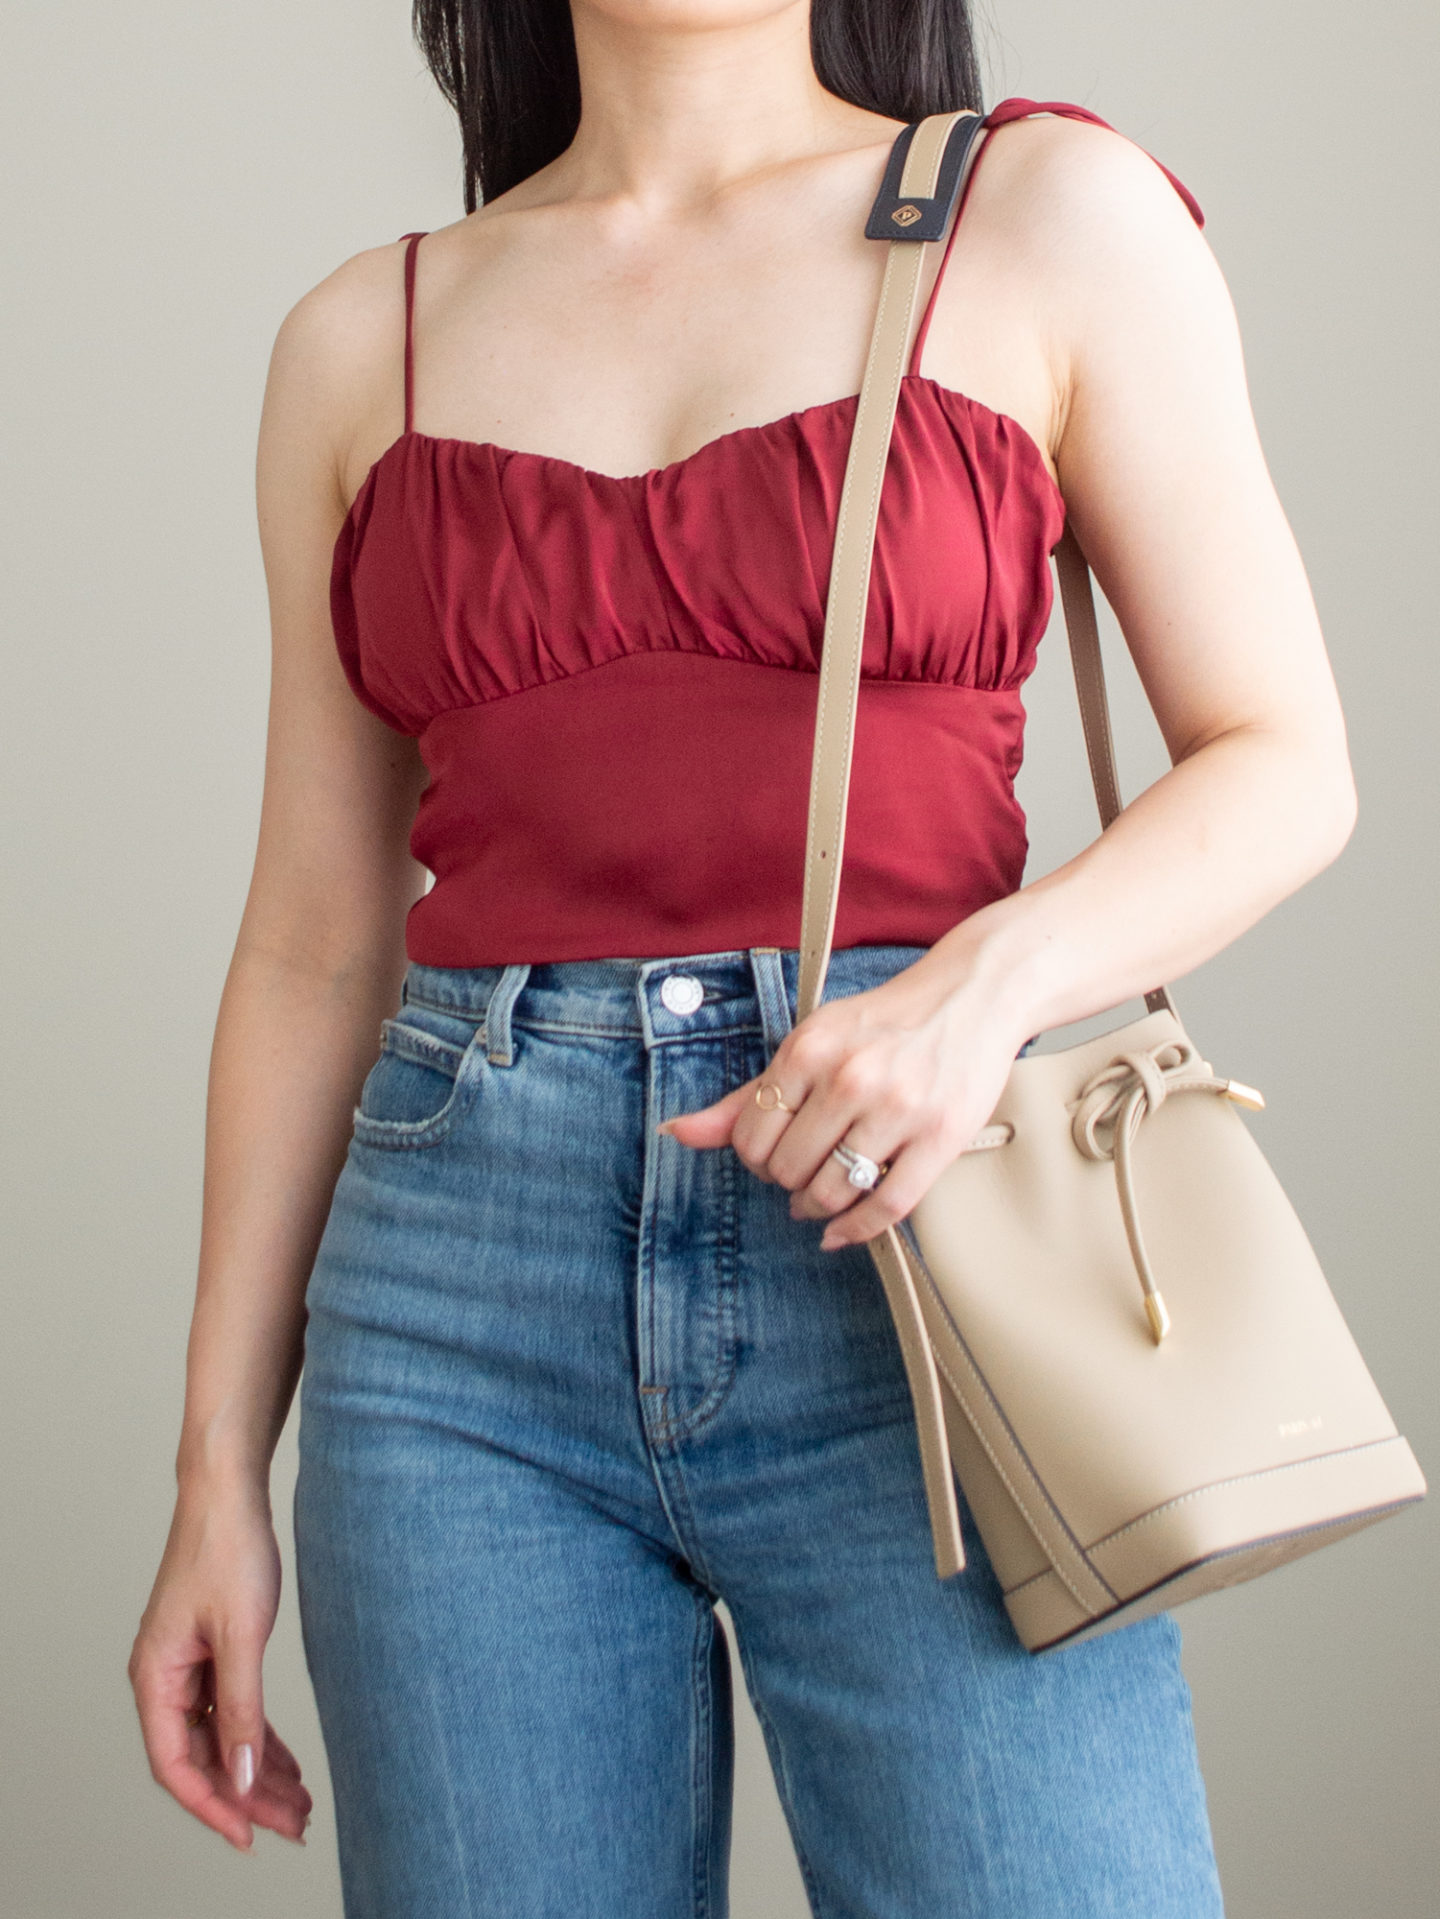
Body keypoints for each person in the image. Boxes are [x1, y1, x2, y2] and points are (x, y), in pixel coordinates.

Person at [127, 1, 1357, 1912]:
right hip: (456, 1315)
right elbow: (309, 941)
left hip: (920, 1247)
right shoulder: (363, 341)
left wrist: (982, 987)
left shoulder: (1046, 215)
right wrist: (218, 1469)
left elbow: (1286, 766)